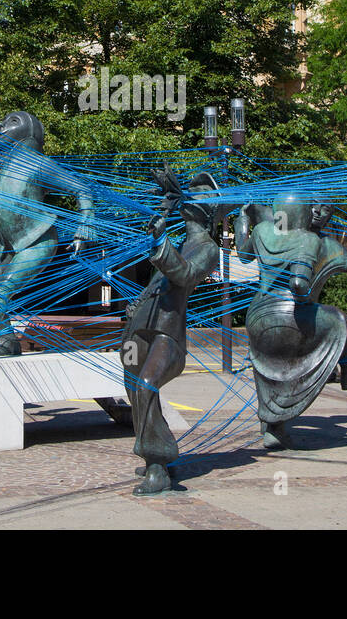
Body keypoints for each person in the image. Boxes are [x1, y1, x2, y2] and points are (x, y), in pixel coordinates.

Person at [235, 194, 347, 449]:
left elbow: (243, 254)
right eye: (313, 208)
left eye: (326, 210)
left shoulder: (262, 231)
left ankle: (273, 428)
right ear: (304, 212)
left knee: (268, 367)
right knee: (339, 320)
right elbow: (346, 267)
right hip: (293, 317)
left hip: (258, 317)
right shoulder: (312, 242)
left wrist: (242, 221)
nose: (318, 213)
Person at [0, 105, 97, 362]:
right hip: (9, 245)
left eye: (12, 121)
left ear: (29, 133)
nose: (2, 125)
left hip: (38, 241)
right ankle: (8, 341)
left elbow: (81, 188)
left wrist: (85, 224)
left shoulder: (38, 164)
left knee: (2, 289)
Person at [121, 168, 224, 495]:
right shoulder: (180, 240)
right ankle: (154, 457)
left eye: (203, 195)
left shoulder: (208, 248)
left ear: (210, 214)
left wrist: (161, 241)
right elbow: (158, 282)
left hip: (168, 335)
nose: (194, 196)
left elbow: (184, 275)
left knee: (147, 385)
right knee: (133, 388)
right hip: (142, 326)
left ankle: (158, 465)